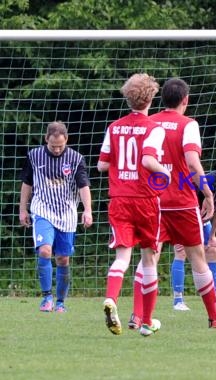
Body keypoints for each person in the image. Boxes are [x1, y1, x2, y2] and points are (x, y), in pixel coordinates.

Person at [128, 77, 216, 329]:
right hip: (182, 202)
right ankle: (214, 316)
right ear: (185, 100)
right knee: (197, 256)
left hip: (151, 201)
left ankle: (136, 315)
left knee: (148, 258)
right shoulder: (188, 124)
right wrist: (207, 193)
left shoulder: (148, 122)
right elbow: (193, 164)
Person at [97, 73, 170, 336]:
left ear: (127, 96)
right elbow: (149, 161)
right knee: (149, 258)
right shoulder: (154, 128)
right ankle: (147, 322)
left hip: (119, 199)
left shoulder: (114, 127)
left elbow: (102, 165)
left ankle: (111, 299)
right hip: (146, 199)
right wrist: (166, 173)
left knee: (122, 257)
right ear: (151, 97)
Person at [19, 121, 93, 313]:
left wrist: (87, 210)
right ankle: (46, 298)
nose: (57, 149)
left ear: (66, 140)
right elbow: (27, 183)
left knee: (62, 259)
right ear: (46, 140)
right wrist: (23, 209)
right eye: (53, 146)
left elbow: (83, 186)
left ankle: (60, 302)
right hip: (42, 209)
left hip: (67, 214)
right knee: (44, 251)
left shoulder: (76, 159)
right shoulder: (34, 156)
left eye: (61, 145)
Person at [169, 158, 216, 312]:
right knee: (181, 251)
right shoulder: (206, 182)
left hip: (203, 219)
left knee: (213, 249)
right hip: (185, 215)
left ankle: (214, 299)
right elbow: (189, 204)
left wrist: (212, 236)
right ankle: (178, 300)